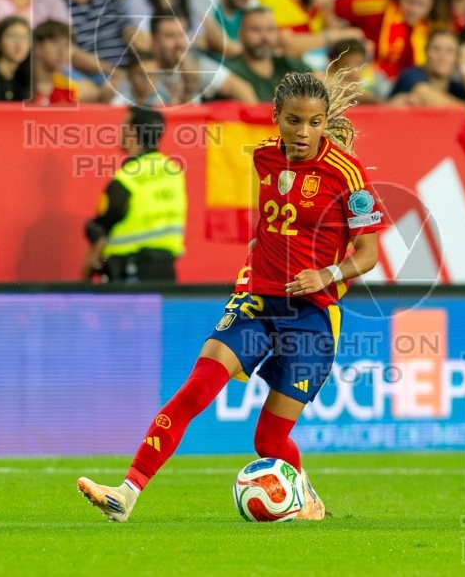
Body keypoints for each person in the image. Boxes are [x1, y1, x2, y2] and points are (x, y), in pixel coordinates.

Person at [77, 71, 386, 522]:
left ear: (324, 122)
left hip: (311, 315)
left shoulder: (347, 173)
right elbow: (270, 228)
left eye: (314, 122)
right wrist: (254, 266)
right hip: (257, 302)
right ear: (276, 117)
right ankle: (126, 494)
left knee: (269, 442)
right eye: (294, 120)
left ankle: (307, 499)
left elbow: (369, 254)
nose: (303, 132)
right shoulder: (263, 157)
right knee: (196, 389)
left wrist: (326, 274)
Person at [82, 106, 187, 283]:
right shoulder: (174, 172)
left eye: (123, 127)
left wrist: (84, 278)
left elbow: (100, 230)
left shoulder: (126, 179)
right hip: (166, 272)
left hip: (130, 274)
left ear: (132, 133)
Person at [225, 7, 313, 102]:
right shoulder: (230, 71)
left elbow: (319, 78)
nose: (265, 37)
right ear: (240, 34)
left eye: (270, 29)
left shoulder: (287, 63)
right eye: (255, 30)